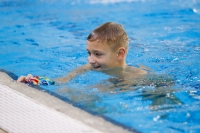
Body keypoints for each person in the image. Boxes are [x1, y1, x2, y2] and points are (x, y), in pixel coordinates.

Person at [18, 22, 172, 88]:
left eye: (97, 54)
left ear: (119, 54)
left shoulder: (137, 75)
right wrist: (35, 81)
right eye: (89, 53)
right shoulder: (88, 68)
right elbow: (60, 82)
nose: (90, 60)